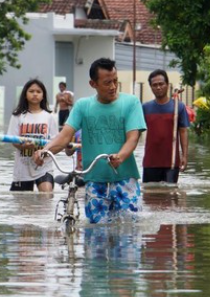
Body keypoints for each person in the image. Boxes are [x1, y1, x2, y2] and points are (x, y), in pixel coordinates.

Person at [33, 58, 147, 224]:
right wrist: (45, 151)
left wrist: (120, 156)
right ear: (93, 84)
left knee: (130, 232)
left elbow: (133, 137)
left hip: (125, 180)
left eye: (115, 81)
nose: (113, 87)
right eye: (107, 83)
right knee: (96, 238)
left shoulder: (131, 103)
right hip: (94, 181)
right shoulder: (82, 106)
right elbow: (64, 136)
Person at [7, 78, 58, 192]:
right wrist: (23, 146)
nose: (35, 94)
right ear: (25, 94)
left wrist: (43, 153)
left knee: (46, 196)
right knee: (23, 206)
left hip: (44, 166)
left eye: (38, 91)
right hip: (23, 168)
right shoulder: (18, 116)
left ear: (43, 96)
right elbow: (13, 139)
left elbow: (56, 143)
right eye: (31, 91)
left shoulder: (50, 117)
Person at [142, 69, 190, 184]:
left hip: (172, 162)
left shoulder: (179, 107)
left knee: (170, 197)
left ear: (167, 85)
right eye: (155, 85)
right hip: (150, 162)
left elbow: (183, 132)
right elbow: (135, 133)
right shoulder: (145, 108)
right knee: (150, 197)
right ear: (151, 87)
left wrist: (184, 156)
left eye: (161, 84)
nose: (158, 87)